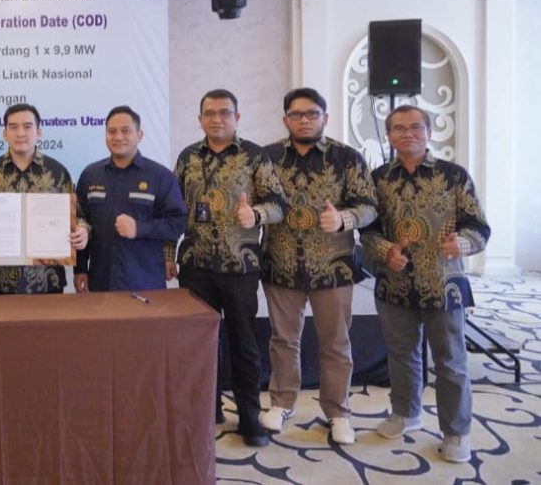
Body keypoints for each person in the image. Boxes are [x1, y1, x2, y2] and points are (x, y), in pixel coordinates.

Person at [362, 104, 490, 463]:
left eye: (416, 127)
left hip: (443, 284)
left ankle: (456, 432)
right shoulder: (378, 179)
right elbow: (368, 229)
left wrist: (460, 244)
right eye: (399, 128)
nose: (408, 134)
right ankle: (406, 412)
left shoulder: (453, 175)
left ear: (429, 132)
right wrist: (386, 251)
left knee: (450, 362)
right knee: (402, 354)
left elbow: (478, 226)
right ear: (388, 135)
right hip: (395, 283)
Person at [258, 88, 377, 445]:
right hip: (281, 264)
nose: (304, 120)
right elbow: (258, 201)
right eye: (296, 114)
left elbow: (370, 206)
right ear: (285, 119)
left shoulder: (347, 157)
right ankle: (281, 403)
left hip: (333, 267)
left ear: (325, 117)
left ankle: (338, 412)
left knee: (336, 343)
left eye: (312, 114)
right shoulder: (267, 157)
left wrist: (344, 219)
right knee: (283, 339)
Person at [172, 88, 286, 447]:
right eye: (210, 113)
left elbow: (279, 204)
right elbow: (173, 210)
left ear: (237, 117)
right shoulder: (188, 157)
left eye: (224, 113)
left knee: (244, 343)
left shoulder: (255, 156)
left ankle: (249, 415)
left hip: (240, 266)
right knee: (199, 343)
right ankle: (207, 408)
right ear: (200, 118)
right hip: (195, 265)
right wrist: (166, 253)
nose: (217, 119)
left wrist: (256, 214)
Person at [0, 103, 89, 294]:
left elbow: (78, 217)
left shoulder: (58, 173)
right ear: (4, 134)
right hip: (0, 281)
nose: (20, 133)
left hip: (48, 279)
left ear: (39, 132)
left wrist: (82, 230)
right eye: (13, 127)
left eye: (27, 126)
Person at [74, 105, 185, 292]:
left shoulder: (160, 176)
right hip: (101, 282)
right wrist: (80, 269)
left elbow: (178, 222)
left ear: (139, 135)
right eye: (112, 131)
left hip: (145, 282)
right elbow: (79, 222)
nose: (118, 137)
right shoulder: (90, 175)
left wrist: (139, 229)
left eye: (126, 131)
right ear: (105, 135)